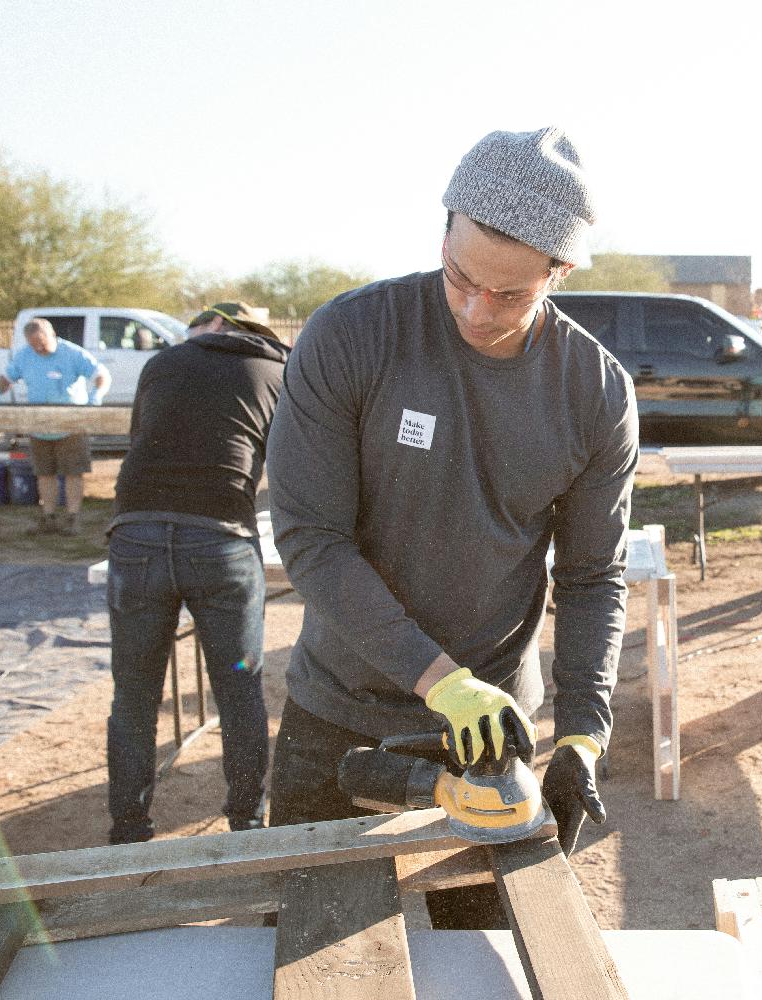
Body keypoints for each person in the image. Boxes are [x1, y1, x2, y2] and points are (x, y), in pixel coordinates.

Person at [265, 126, 639, 928]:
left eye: (510, 295)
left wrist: (581, 734)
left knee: (474, 958)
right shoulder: (354, 336)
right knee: (305, 947)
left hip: (488, 737)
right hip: (338, 710)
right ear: (443, 227)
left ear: (560, 271)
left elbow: (591, 577)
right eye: (460, 276)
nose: (476, 308)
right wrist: (438, 677)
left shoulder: (594, 391)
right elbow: (309, 536)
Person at [103, 302, 290, 845]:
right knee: (239, 689)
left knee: (133, 696)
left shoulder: (162, 363)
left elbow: (142, 442)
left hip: (136, 536)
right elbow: (291, 463)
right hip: (221, 540)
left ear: (214, 328)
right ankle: (247, 826)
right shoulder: (277, 370)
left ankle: (129, 831)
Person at [0, 318, 110, 535]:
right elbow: (6, 378)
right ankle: (48, 517)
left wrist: (97, 394)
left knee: (73, 472)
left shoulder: (73, 353)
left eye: (42, 344)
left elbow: (102, 375)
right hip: (39, 425)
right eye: (34, 345)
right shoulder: (25, 355)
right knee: (44, 474)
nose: (38, 349)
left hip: (71, 424)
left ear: (52, 335)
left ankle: (73, 517)